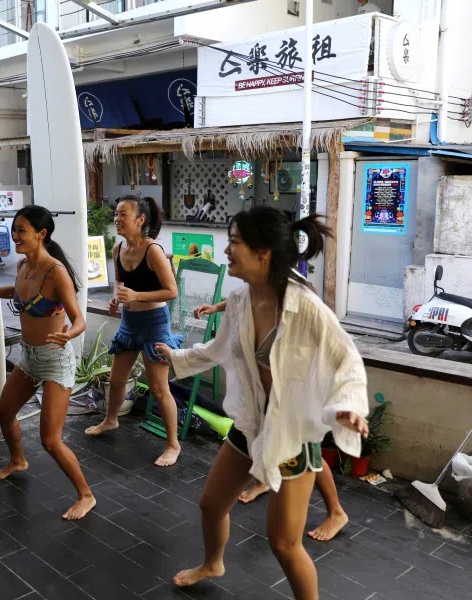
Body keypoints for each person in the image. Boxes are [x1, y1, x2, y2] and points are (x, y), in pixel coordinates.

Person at [153, 206, 369, 598]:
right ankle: (213, 563)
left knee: (283, 543)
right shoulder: (239, 300)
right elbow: (220, 348)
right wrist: (177, 357)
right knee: (211, 504)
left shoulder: (304, 306)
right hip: (251, 422)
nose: (226, 252)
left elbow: (347, 358)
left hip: (290, 435)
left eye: (234, 243)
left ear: (263, 251)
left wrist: (349, 404)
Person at [0, 205, 96, 520]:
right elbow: (17, 291)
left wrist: (68, 335)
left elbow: (79, 320)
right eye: (14, 229)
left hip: (56, 361)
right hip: (30, 356)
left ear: (41, 234)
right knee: (5, 413)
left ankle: (86, 495)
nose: (15, 235)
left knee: (50, 439)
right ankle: (18, 460)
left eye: (21, 230)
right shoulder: (23, 266)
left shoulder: (55, 272)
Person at [192, 302, 349, 542]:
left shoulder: (294, 289)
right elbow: (248, 295)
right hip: (266, 397)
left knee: (305, 451)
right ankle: (263, 481)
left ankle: (336, 511)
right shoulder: (256, 287)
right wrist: (217, 308)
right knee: (259, 436)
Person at [84, 196, 183, 466]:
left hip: (154, 324)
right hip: (129, 322)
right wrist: (116, 299)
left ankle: (173, 444)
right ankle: (111, 420)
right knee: (117, 381)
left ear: (140, 220)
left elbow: (172, 291)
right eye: (116, 214)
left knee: (159, 388)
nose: (117, 219)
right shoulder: (118, 250)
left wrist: (136, 296)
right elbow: (120, 284)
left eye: (123, 214)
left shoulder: (153, 251)